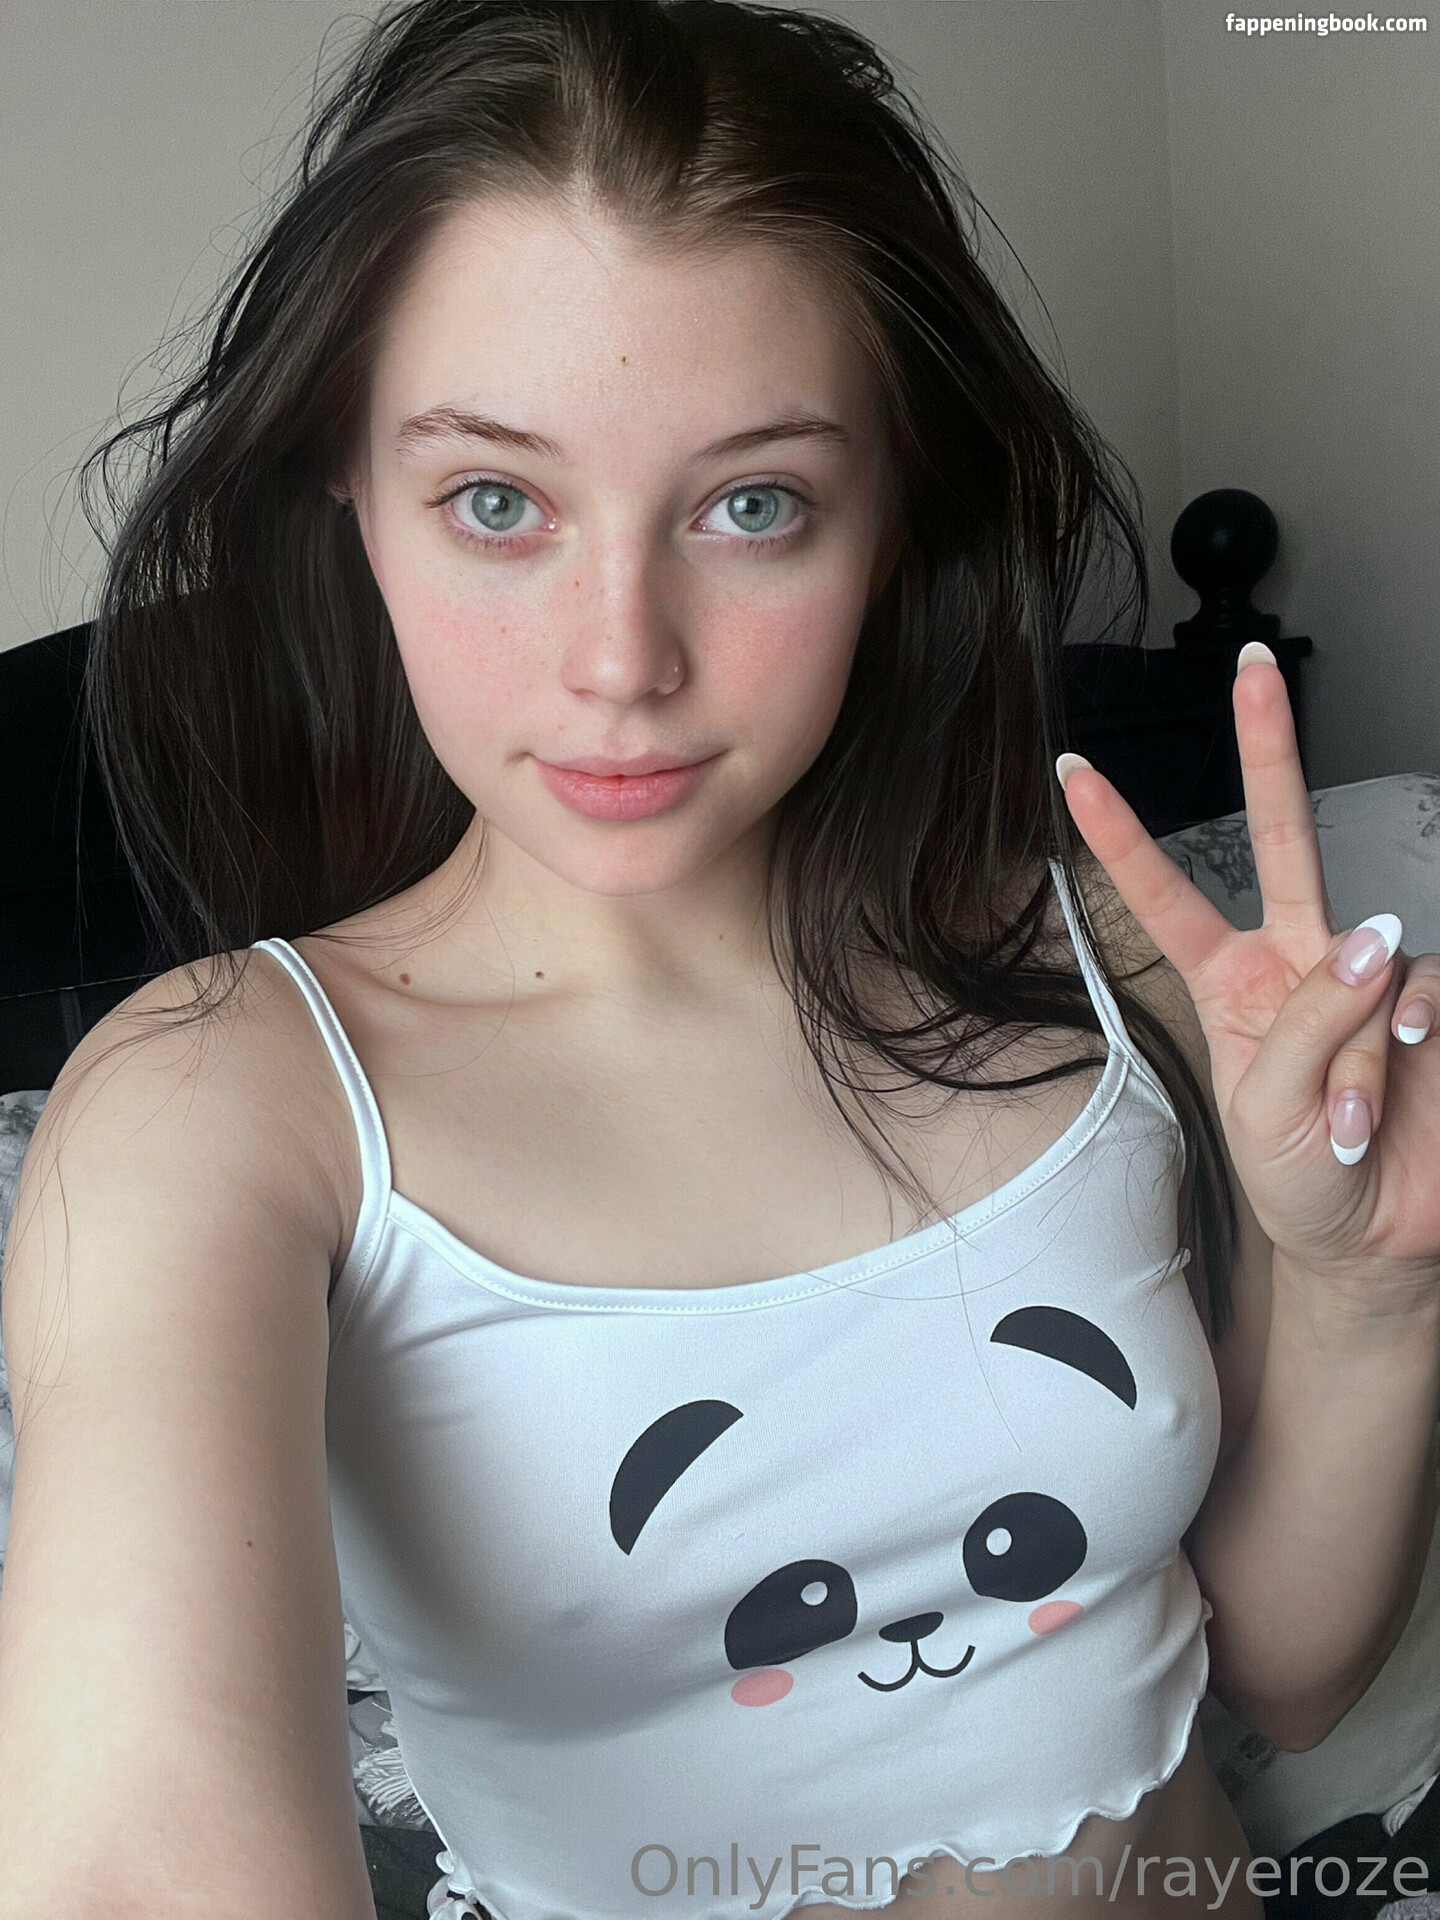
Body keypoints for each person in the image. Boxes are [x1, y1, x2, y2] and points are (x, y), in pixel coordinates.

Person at [1, 4, 1437, 1917]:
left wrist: (1362, 1289)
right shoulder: (222, 1110)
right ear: (350, 487)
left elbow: (1278, 1675)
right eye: (497, 502)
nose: (623, 659)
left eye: (754, 505)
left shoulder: (1108, 963)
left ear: (891, 510)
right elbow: (130, 1856)